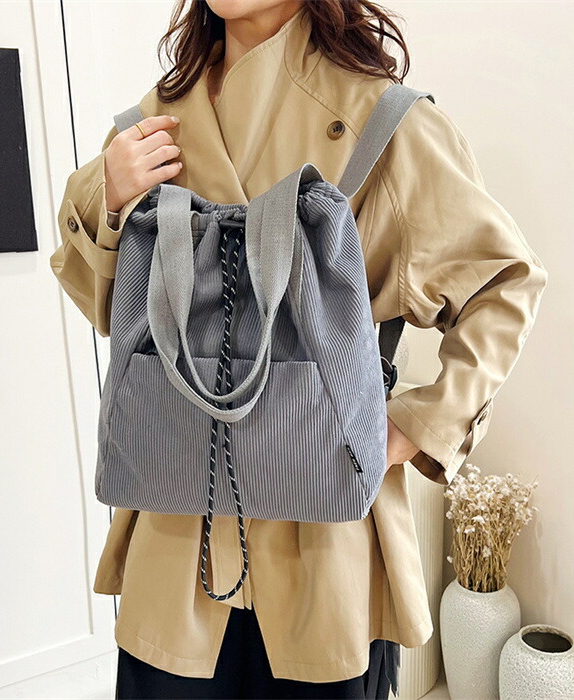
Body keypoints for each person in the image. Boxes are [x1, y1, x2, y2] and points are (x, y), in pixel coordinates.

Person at [49, 1, 548, 698]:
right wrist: (106, 195)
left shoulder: (385, 121)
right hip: (175, 537)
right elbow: (108, 311)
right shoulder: (156, 119)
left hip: (325, 546)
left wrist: (417, 423)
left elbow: (503, 282)